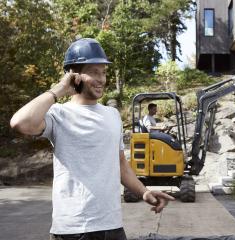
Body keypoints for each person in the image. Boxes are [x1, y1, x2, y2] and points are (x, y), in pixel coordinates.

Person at [10, 38, 174, 240]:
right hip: (74, 229)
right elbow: (20, 122)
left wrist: (144, 192)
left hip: (112, 227)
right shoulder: (58, 114)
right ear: (73, 75)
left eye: (104, 72)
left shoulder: (112, 115)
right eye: (94, 72)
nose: (102, 79)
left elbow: (120, 163)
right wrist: (59, 90)